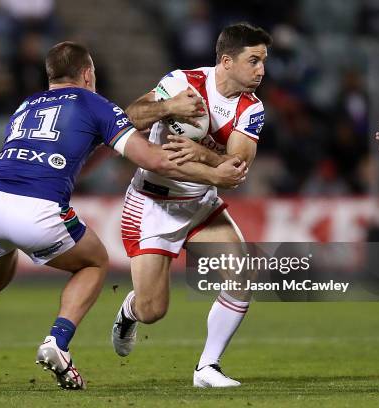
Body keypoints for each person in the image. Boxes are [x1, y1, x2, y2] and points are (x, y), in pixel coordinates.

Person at [0, 41, 247, 392]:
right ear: (88, 73)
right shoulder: (93, 102)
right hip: (37, 207)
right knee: (93, 263)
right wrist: (216, 176)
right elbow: (153, 160)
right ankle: (57, 342)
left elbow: (71, 154)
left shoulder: (27, 105)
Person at [111, 23, 272, 388]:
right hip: (154, 203)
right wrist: (167, 106)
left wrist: (200, 153)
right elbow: (129, 118)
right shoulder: (182, 82)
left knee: (242, 275)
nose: (261, 70)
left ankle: (207, 368)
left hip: (200, 204)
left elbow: (237, 170)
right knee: (153, 310)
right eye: (254, 61)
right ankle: (129, 311)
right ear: (227, 61)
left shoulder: (251, 108)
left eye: (263, 61)